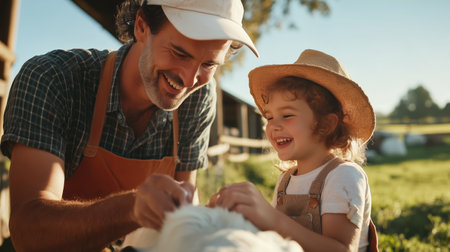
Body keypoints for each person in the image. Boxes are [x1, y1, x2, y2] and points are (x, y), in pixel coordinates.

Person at [2, 0, 258, 250]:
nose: (190, 79)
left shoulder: (200, 97)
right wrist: (132, 208)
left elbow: (184, 202)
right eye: (179, 53)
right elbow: (28, 234)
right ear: (141, 26)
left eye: (209, 64)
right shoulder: (53, 79)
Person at [209, 49, 378, 252]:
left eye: (287, 115)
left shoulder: (343, 175)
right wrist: (236, 217)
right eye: (270, 117)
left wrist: (272, 219)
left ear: (326, 124)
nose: (273, 126)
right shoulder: (286, 180)